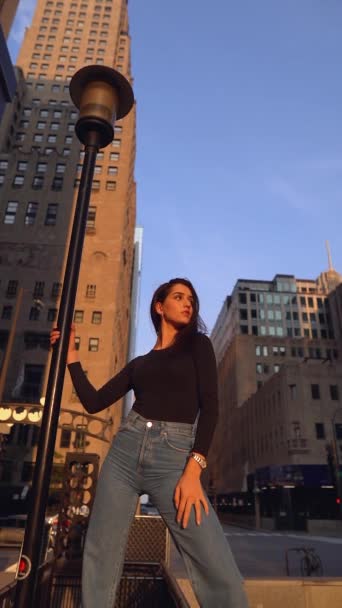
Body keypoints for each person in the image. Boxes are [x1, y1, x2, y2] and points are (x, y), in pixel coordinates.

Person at [50, 278, 249, 608]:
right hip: (125, 453)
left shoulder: (198, 345)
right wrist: (71, 354)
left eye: (191, 299)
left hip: (174, 460)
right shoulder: (138, 364)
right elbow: (94, 401)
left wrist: (193, 469)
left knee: (214, 561)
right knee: (100, 550)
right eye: (179, 297)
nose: (188, 303)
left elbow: (211, 406)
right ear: (160, 306)